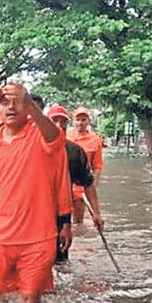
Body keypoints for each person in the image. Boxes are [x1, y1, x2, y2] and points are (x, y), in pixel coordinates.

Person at [0, 80, 72, 303]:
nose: (11, 108)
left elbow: (55, 137)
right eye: (5, 103)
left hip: (37, 239)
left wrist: (65, 221)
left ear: (28, 108)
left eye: (17, 103)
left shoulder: (43, 137)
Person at [47, 104, 104, 261]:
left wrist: (96, 213)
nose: (59, 126)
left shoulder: (75, 151)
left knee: (60, 260)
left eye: (62, 122)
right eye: (54, 121)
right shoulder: (31, 148)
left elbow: (90, 180)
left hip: (63, 210)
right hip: (34, 214)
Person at [67, 106, 104, 223]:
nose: (80, 123)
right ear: (73, 121)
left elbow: (97, 166)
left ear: (89, 121)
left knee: (78, 220)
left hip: (81, 183)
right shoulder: (65, 135)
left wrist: (93, 187)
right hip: (64, 181)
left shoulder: (96, 140)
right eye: (78, 120)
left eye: (84, 119)